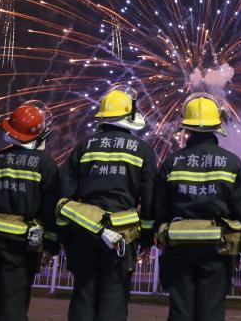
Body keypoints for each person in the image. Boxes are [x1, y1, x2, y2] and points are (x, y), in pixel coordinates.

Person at [58, 85, 156, 321]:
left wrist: (65, 236)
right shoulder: (142, 150)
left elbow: (64, 196)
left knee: (83, 293)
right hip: (122, 235)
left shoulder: (84, 147)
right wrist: (147, 235)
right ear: (129, 116)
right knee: (113, 295)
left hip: (84, 232)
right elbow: (151, 198)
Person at [154, 93, 241, 321]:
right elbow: (240, 210)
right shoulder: (232, 162)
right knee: (212, 309)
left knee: (180, 309)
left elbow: (160, 208)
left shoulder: (171, 162)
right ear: (218, 124)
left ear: (186, 125)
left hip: (179, 246)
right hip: (217, 247)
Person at [0, 100, 61, 321]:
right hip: (21, 246)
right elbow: (51, 208)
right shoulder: (45, 164)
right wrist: (50, 244)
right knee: (14, 302)